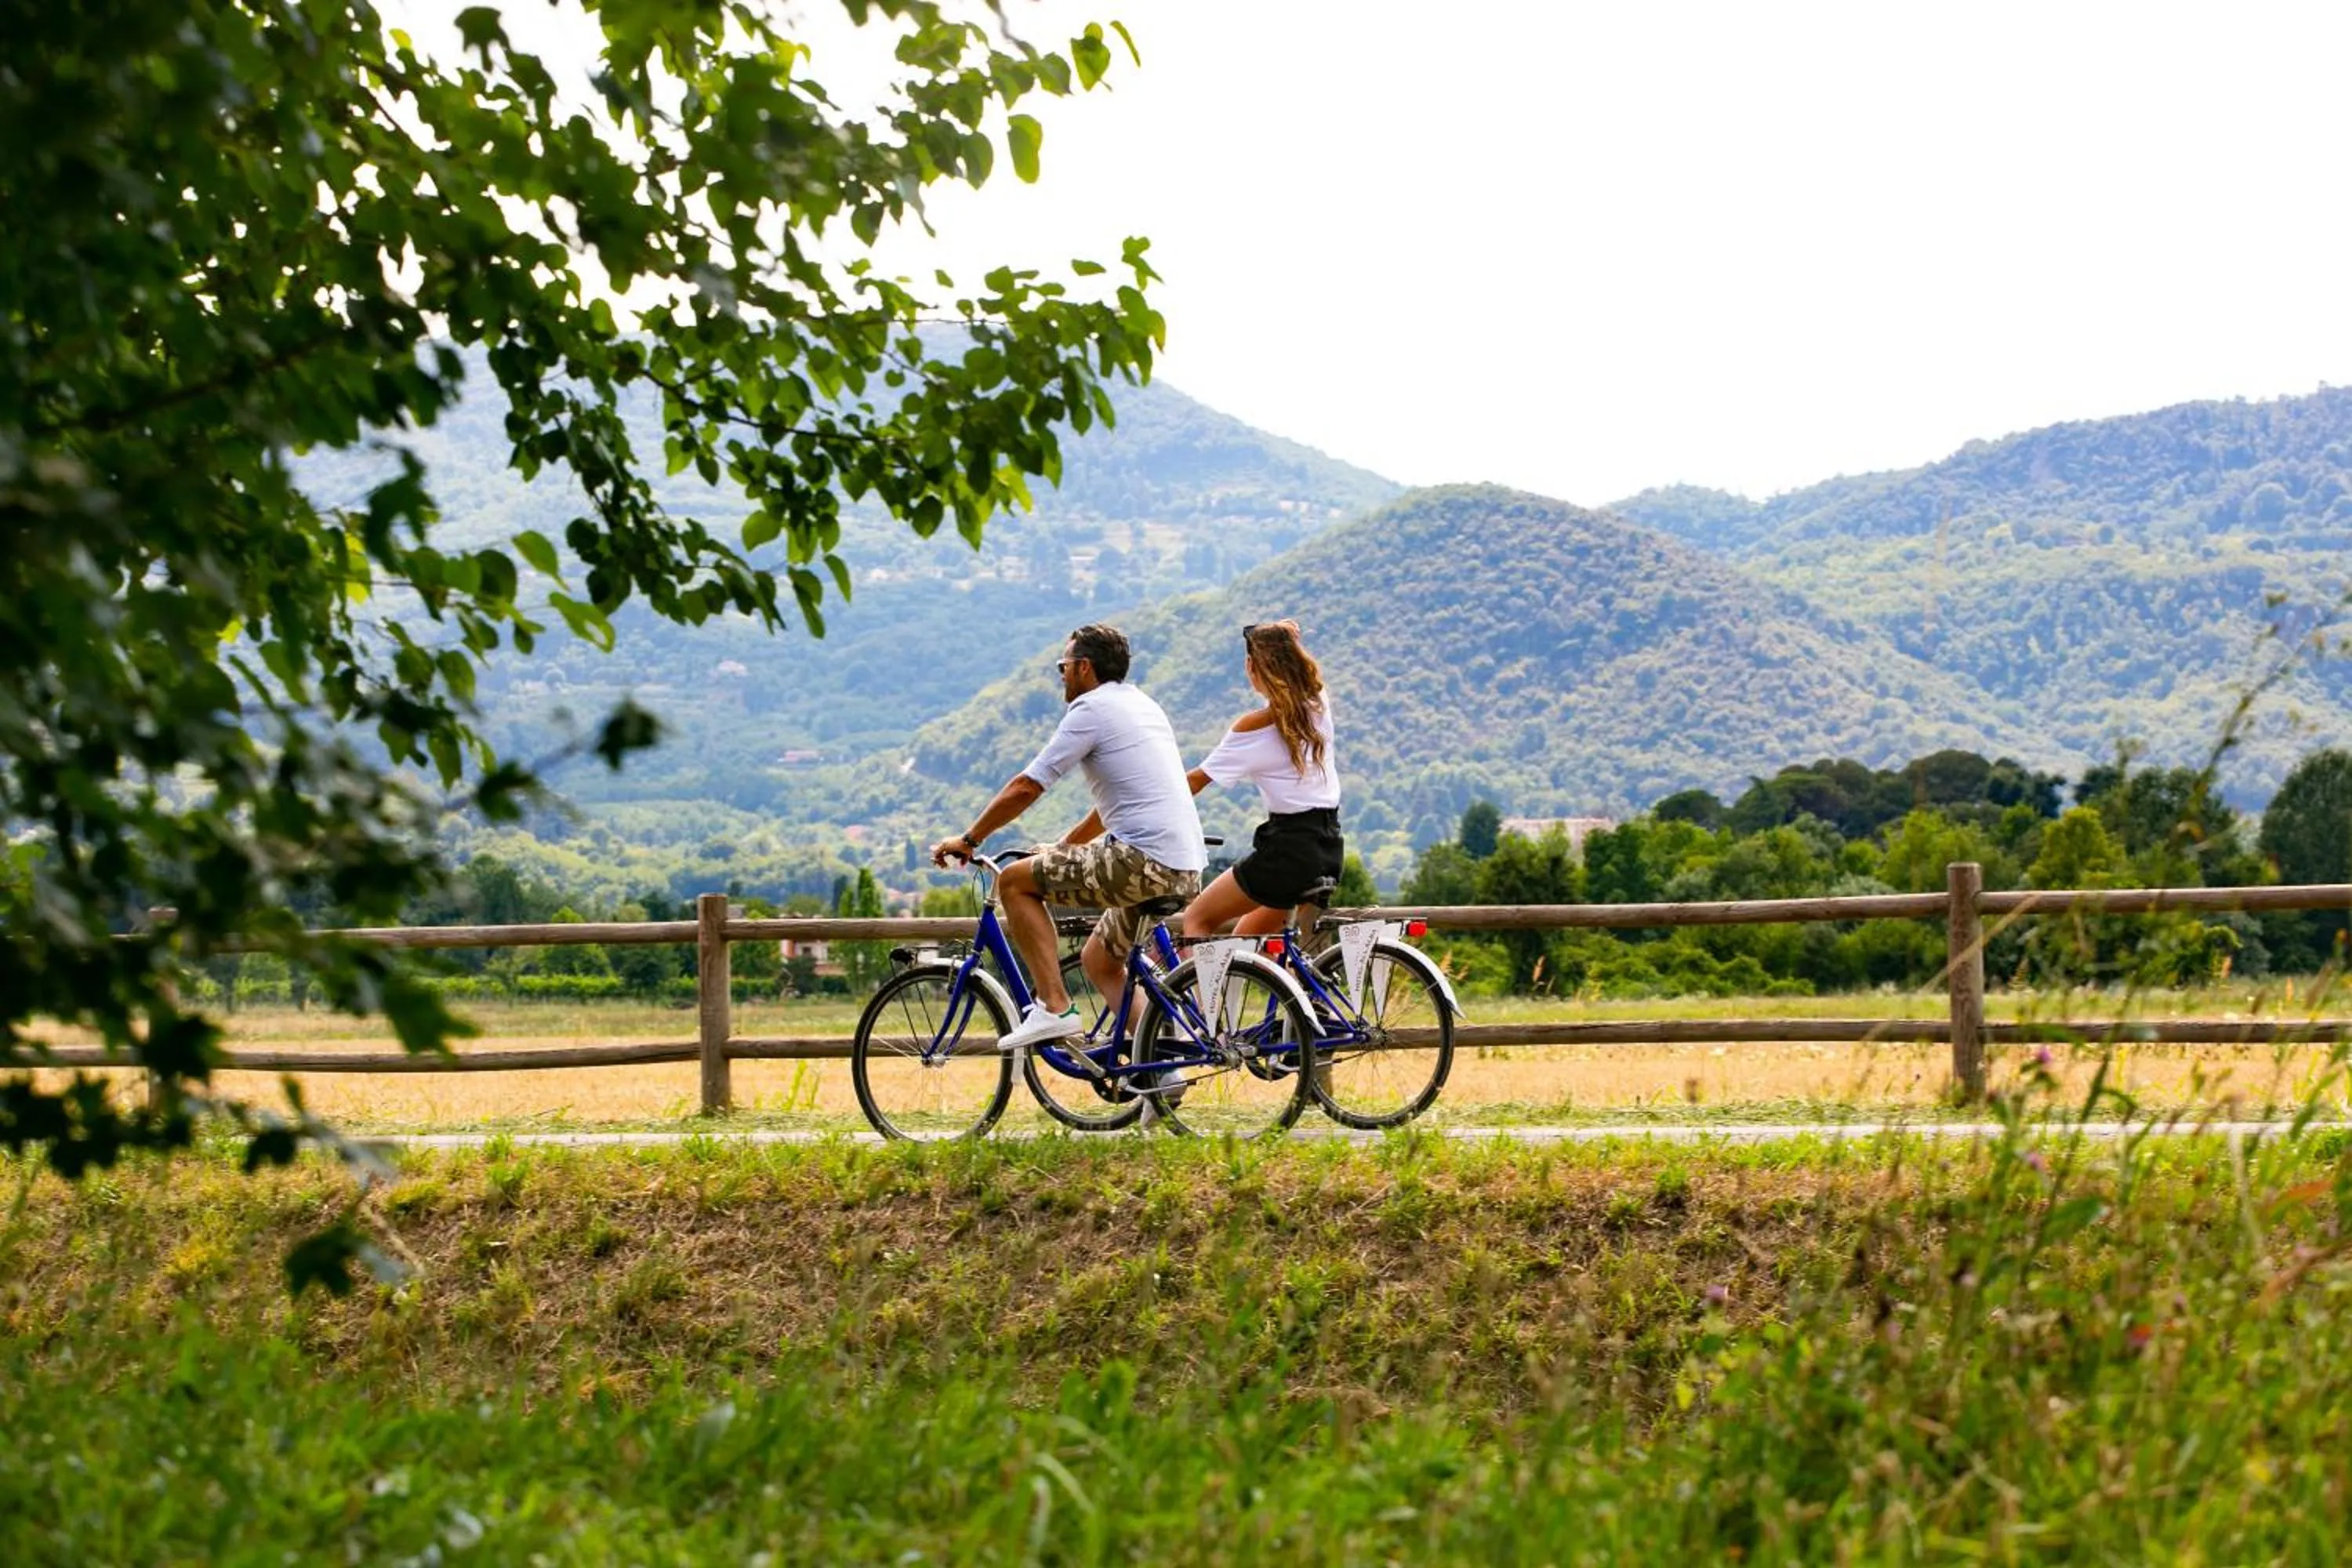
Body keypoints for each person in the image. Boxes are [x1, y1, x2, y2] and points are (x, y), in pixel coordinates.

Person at [931, 623, 1206, 1051]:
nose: (1061, 674)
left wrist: (970, 840)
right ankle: (1161, 1066)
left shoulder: (1091, 710)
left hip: (1143, 862)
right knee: (1100, 961)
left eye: (1063, 666)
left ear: (1083, 667)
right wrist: (1065, 848)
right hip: (1184, 866)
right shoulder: (1142, 705)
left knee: (1014, 882)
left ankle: (1055, 1007)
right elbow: (1111, 808)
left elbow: (1028, 786)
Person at [1178, 619, 1344, 939]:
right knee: (1246, 942)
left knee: (1197, 918)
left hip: (1287, 853)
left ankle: (1200, 978)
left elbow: (1195, 782)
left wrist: (1145, 806)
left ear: (1250, 666)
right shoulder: (1318, 703)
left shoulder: (1252, 728)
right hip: (1328, 848)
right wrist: (1283, 636)